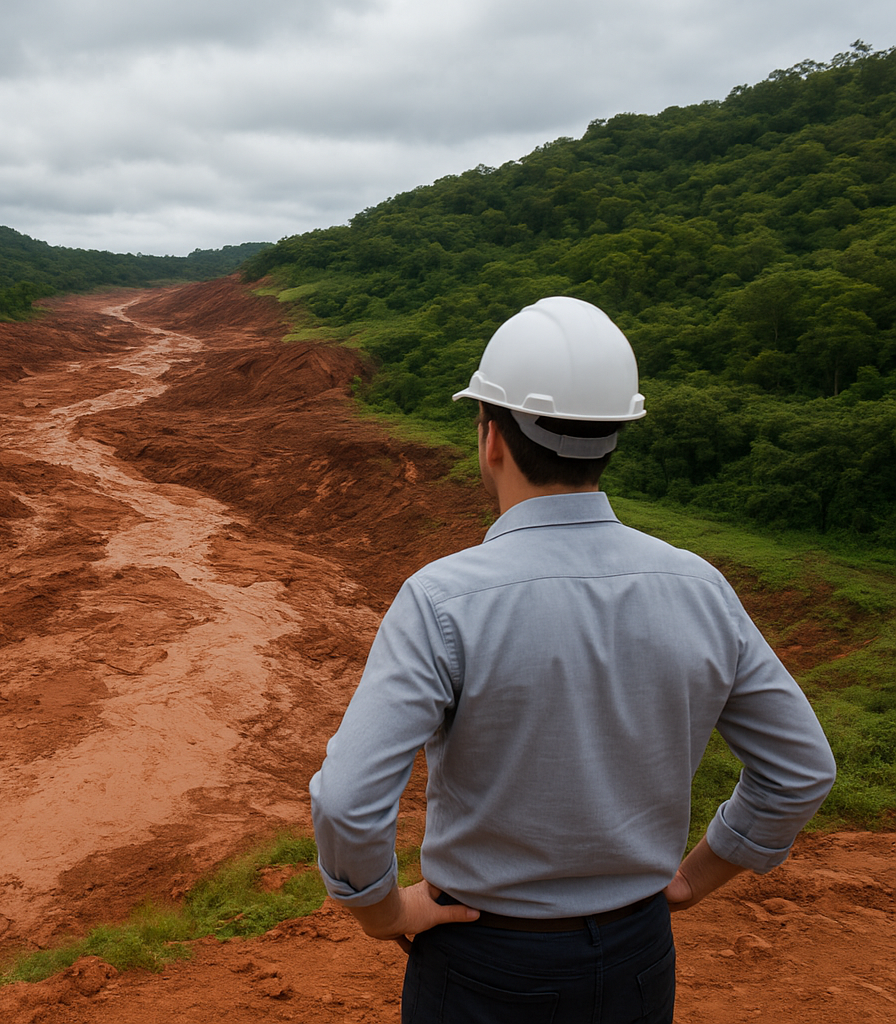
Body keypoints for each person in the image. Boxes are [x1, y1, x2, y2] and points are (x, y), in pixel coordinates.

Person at [309, 296, 837, 1023]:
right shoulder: (699, 586)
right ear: (614, 435)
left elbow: (346, 800)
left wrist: (382, 913)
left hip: (483, 963)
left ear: (491, 437)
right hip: (638, 957)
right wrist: (693, 880)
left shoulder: (441, 600)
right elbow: (801, 768)